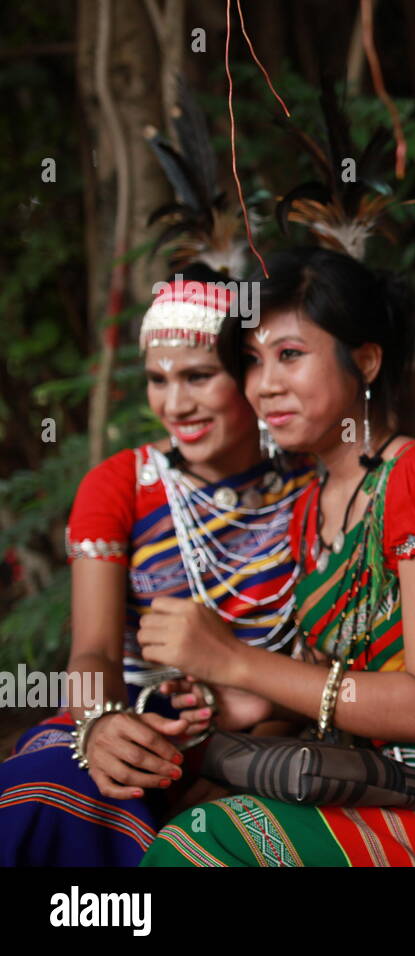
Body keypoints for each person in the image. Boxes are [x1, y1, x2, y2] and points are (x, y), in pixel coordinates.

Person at [140, 247, 415, 867]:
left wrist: (234, 660)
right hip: (386, 778)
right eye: (253, 362)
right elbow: (324, 676)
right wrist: (237, 703)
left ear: (365, 361)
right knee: (185, 805)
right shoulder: (310, 505)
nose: (264, 385)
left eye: (290, 355)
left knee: (204, 843)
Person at [0, 275, 310, 866]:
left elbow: (329, 663)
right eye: (157, 380)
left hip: (274, 729)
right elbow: (92, 653)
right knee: (45, 795)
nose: (175, 404)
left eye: (198, 376)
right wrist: (99, 726)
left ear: (248, 373)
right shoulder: (118, 485)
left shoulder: (311, 486)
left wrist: (253, 757)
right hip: (134, 719)